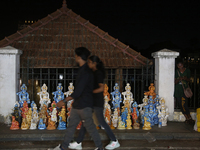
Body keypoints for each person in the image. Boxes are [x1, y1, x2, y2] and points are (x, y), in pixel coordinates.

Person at [48, 47, 103, 150]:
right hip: (78, 105)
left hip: (85, 106)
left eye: (75, 55)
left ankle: (100, 148)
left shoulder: (86, 72)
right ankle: (63, 147)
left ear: (78, 57)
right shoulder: (83, 70)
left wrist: (63, 101)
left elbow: (78, 92)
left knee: (91, 128)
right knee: (71, 127)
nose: (74, 57)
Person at [69, 55, 120, 150]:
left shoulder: (98, 73)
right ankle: (78, 142)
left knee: (101, 122)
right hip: (92, 101)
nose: (88, 63)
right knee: (86, 121)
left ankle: (114, 141)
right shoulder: (93, 73)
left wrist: (89, 92)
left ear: (94, 63)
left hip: (97, 102)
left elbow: (101, 88)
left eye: (89, 62)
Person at [174, 59, 194, 124]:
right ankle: (188, 118)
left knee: (184, 104)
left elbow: (190, 80)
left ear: (183, 65)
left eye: (181, 65)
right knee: (181, 105)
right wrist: (179, 79)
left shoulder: (187, 70)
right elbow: (174, 82)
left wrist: (186, 78)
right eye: (179, 66)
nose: (180, 67)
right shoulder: (176, 72)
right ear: (177, 66)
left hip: (184, 90)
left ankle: (189, 118)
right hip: (178, 90)